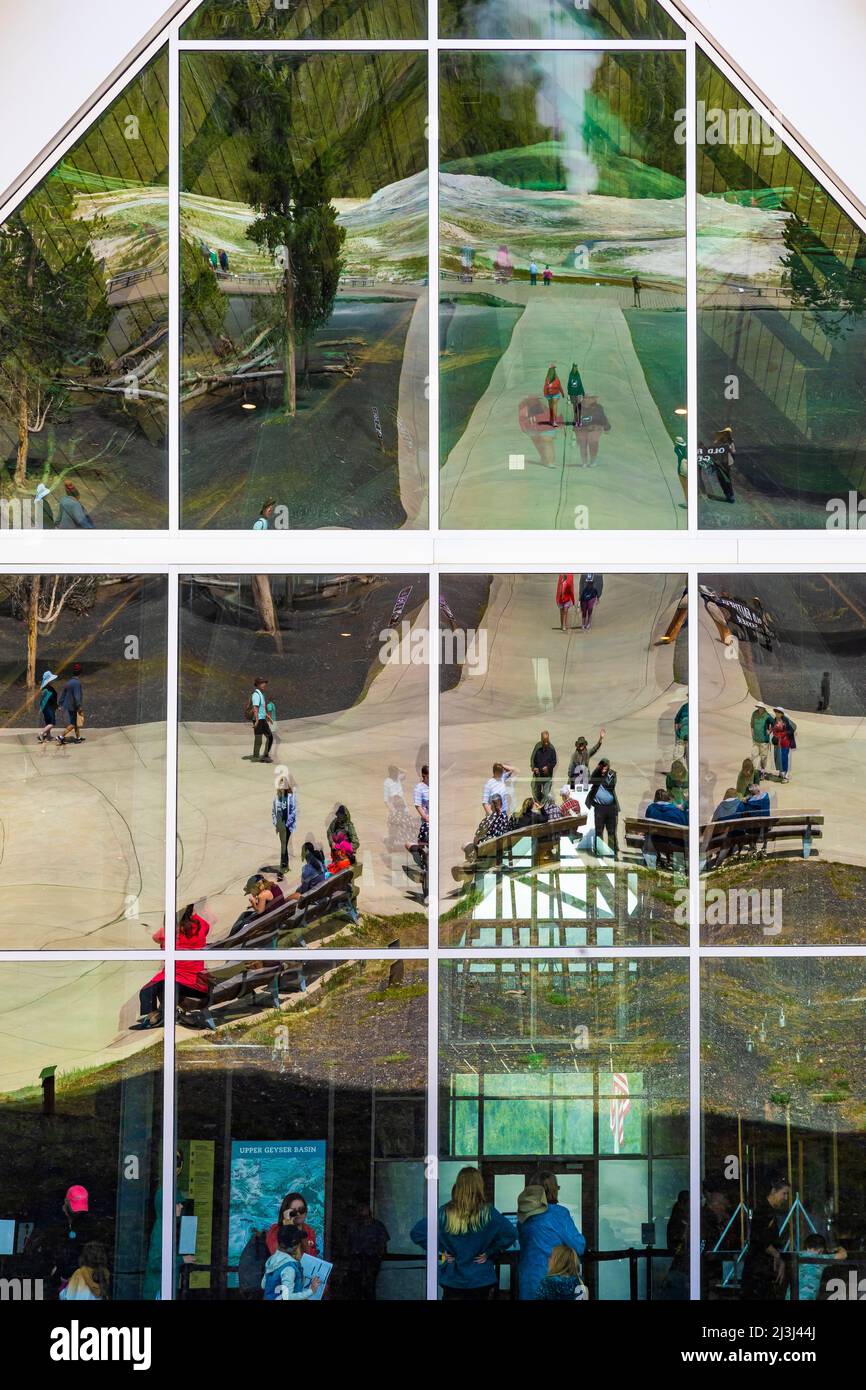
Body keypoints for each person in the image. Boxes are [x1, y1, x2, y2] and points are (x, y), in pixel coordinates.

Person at [411, 1167, 516, 1301]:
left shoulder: (444, 1213)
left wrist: (442, 1251)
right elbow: (511, 1233)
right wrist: (490, 1251)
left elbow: (417, 1233)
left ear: (458, 1186)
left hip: (453, 1279)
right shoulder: (488, 1213)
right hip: (480, 1278)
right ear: (479, 1186)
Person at [132, 906, 212, 1029]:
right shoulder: (201, 925)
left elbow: (156, 938)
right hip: (197, 982)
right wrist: (194, 915)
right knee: (164, 987)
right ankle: (163, 1014)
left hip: (179, 978)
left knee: (146, 992)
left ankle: (156, 1016)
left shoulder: (170, 931)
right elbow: (207, 928)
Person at [516, 1174, 586, 1302]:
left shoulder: (523, 1216)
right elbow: (579, 1246)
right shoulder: (559, 1213)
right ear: (553, 1190)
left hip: (528, 1279)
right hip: (554, 1279)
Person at [741, 1172, 790, 1300]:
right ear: (774, 1191)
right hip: (758, 1271)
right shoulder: (764, 1211)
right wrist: (777, 1256)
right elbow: (760, 1240)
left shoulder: (767, 1211)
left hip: (760, 1269)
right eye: (783, 1193)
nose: (785, 1198)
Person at [262, 1225, 320, 1301]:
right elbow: (288, 1297)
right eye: (296, 1242)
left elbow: (263, 1285)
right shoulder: (289, 1268)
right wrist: (311, 1290)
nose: (298, 1245)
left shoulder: (271, 1260)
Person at [345, 1204, 390, 1300]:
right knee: (355, 1292)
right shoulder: (353, 1226)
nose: (361, 1211)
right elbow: (346, 1244)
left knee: (369, 1291)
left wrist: (376, 1259)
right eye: (359, 1209)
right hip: (355, 1266)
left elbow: (383, 1247)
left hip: (371, 1265)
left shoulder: (378, 1226)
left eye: (363, 1209)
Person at [792, 1232, 847, 1302]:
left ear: (807, 1245)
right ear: (821, 1250)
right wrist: (839, 1248)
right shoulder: (820, 1259)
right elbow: (844, 1255)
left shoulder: (798, 1255)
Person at [266, 1193, 319, 1260]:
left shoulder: (309, 1231)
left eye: (301, 1210)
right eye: (293, 1212)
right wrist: (288, 1225)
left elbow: (311, 1257)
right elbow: (283, 1259)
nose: (298, 1214)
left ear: (306, 1211)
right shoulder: (275, 1231)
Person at [586, 759, 619, 858]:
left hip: (611, 807)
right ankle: (599, 852)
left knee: (611, 831)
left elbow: (610, 785)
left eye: (605, 766)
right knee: (599, 831)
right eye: (602, 766)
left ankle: (612, 852)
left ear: (608, 766)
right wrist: (597, 770)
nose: (603, 768)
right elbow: (591, 781)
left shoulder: (612, 774)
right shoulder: (597, 773)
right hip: (599, 807)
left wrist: (603, 774)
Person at [661, 1191, 689, 1300]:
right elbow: (678, 1240)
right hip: (680, 1262)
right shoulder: (680, 1219)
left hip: (679, 1262)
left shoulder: (677, 1216)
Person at [272, 775, 297, 871]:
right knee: (283, 844)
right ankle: (284, 864)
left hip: (287, 824)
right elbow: (273, 811)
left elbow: (293, 811)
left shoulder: (291, 797)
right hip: (280, 824)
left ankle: (284, 864)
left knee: (284, 844)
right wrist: (276, 823)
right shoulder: (276, 798)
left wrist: (288, 823)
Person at [56, 663, 85, 745]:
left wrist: (60, 703)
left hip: (68, 705)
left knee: (76, 722)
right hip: (74, 706)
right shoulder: (77, 683)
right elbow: (77, 696)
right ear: (80, 672)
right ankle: (61, 736)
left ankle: (78, 738)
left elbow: (63, 694)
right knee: (72, 724)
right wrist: (79, 707)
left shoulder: (68, 682)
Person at [249, 676, 273, 762]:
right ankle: (259, 756)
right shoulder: (256, 694)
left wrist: (267, 716)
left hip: (262, 719)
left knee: (266, 737)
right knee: (262, 738)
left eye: (264, 683)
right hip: (259, 720)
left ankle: (261, 755)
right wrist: (257, 720)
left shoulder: (260, 694)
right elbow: (255, 707)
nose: (264, 684)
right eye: (262, 683)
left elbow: (261, 708)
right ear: (257, 684)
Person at [530, 730, 557, 800]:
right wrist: (534, 768)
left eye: (547, 741)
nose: (546, 743)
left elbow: (554, 761)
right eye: (544, 741)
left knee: (546, 793)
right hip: (538, 775)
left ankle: (543, 806)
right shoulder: (537, 746)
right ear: (541, 739)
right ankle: (539, 803)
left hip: (547, 776)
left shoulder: (551, 748)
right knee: (535, 790)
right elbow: (532, 758)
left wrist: (548, 767)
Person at [771, 707, 796, 782]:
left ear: (781, 713)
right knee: (778, 758)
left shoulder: (786, 720)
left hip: (784, 743)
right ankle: (781, 772)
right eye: (776, 711)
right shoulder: (775, 720)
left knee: (784, 758)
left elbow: (792, 728)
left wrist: (783, 734)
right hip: (777, 742)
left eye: (778, 712)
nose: (776, 713)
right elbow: (774, 728)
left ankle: (786, 775)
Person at [711, 426, 736, 503]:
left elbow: (733, 452)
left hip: (726, 463)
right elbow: (714, 450)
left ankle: (730, 495)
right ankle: (727, 494)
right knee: (721, 479)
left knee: (727, 479)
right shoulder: (718, 442)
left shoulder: (730, 442)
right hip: (719, 462)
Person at [36, 669, 60, 743]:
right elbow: (51, 699)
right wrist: (57, 706)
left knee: (48, 722)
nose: (52, 681)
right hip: (49, 707)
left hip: (46, 708)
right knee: (51, 723)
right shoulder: (48, 689)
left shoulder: (45, 689)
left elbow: (43, 700)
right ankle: (42, 733)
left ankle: (48, 736)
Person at [750, 704, 773, 771]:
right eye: (758, 707)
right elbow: (752, 724)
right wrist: (752, 732)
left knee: (763, 757)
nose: (759, 709)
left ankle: (762, 771)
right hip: (756, 740)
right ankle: (753, 771)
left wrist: (769, 731)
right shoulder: (754, 713)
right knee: (753, 755)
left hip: (764, 741)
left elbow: (774, 723)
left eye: (760, 708)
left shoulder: (767, 716)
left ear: (763, 708)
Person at [411, 765, 429, 849]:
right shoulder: (419, 788)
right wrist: (426, 817)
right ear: (424, 775)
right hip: (428, 819)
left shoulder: (435, 786)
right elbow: (418, 805)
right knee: (425, 839)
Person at [567, 363, 585, 428]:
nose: (575, 369)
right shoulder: (570, 375)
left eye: (576, 367)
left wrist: (583, 392)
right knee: (575, 408)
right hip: (573, 394)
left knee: (579, 407)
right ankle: (576, 421)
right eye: (574, 367)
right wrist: (569, 393)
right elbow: (569, 384)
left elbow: (580, 384)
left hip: (579, 394)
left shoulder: (578, 375)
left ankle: (579, 421)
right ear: (573, 368)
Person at [674, 436, 687, 506]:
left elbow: (680, 457)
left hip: (681, 469)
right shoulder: (687, 447)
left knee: (685, 487)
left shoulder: (676, 449)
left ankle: (688, 502)